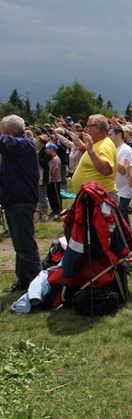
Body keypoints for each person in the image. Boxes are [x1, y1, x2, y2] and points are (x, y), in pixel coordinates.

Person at [0, 115, 42, 293]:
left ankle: (38, 287)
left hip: (20, 200)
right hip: (16, 199)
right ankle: (24, 282)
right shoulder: (18, 146)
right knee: (20, 245)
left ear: (10, 132)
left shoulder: (23, 144)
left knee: (25, 246)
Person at [68, 114, 118, 201]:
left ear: (97, 128)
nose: (85, 129)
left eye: (88, 126)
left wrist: (90, 150)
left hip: (100, 197)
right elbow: (93, 160)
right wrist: (83, 147)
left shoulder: (105, 146)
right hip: (93, 196)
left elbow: (106, 170)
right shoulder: (97, 144)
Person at [108, 125, 132, 226]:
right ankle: (130, 240)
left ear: (119, 135)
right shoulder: (114, 149)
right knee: (123, 219)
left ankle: (127, 240)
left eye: (111, 134)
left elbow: (124, 170)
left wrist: (111, 158)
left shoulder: (126, 150)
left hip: (125, 190)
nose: (109, 137)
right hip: (117, 189)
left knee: (118, 216)